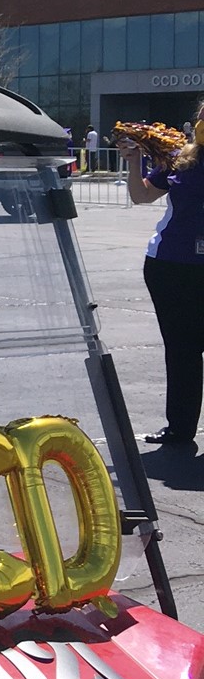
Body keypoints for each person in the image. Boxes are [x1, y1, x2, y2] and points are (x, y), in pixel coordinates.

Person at [119, 104, 204, 447]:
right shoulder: (181, 158)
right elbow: (141, 196)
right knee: (181, 349)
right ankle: (179, 429)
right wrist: (134, 161)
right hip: (171, 265)